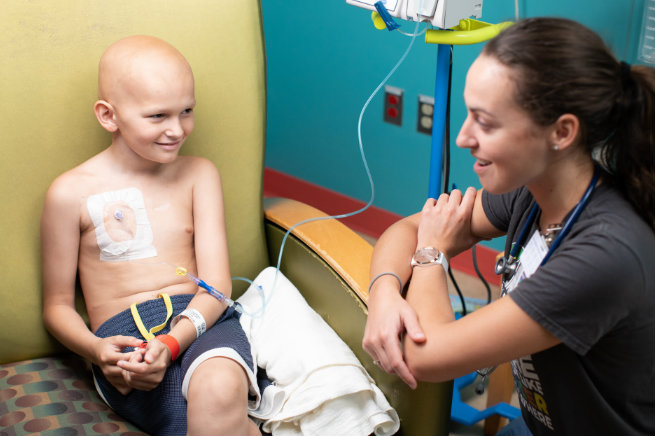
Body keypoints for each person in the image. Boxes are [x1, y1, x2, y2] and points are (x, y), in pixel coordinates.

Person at [362, 17, 654, 435]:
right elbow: (408, 228)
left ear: (562, 132)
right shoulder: (532, 188)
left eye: (486, 121)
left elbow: (425, 357)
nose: (463, 137)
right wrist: (384, 293)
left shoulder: (605, 254)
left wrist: (432, 255)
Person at [41, 35, 260, 436]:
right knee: (193, 419)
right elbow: (56, 305)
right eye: (157, 116)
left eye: (187, 111)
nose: (177, 130)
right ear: (109, 116)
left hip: (200, 320)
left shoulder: (199, 175)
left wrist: (175, 341)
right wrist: (98, 352)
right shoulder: (70, 193)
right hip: (125, 344)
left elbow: (216, 286)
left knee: (220, 388)